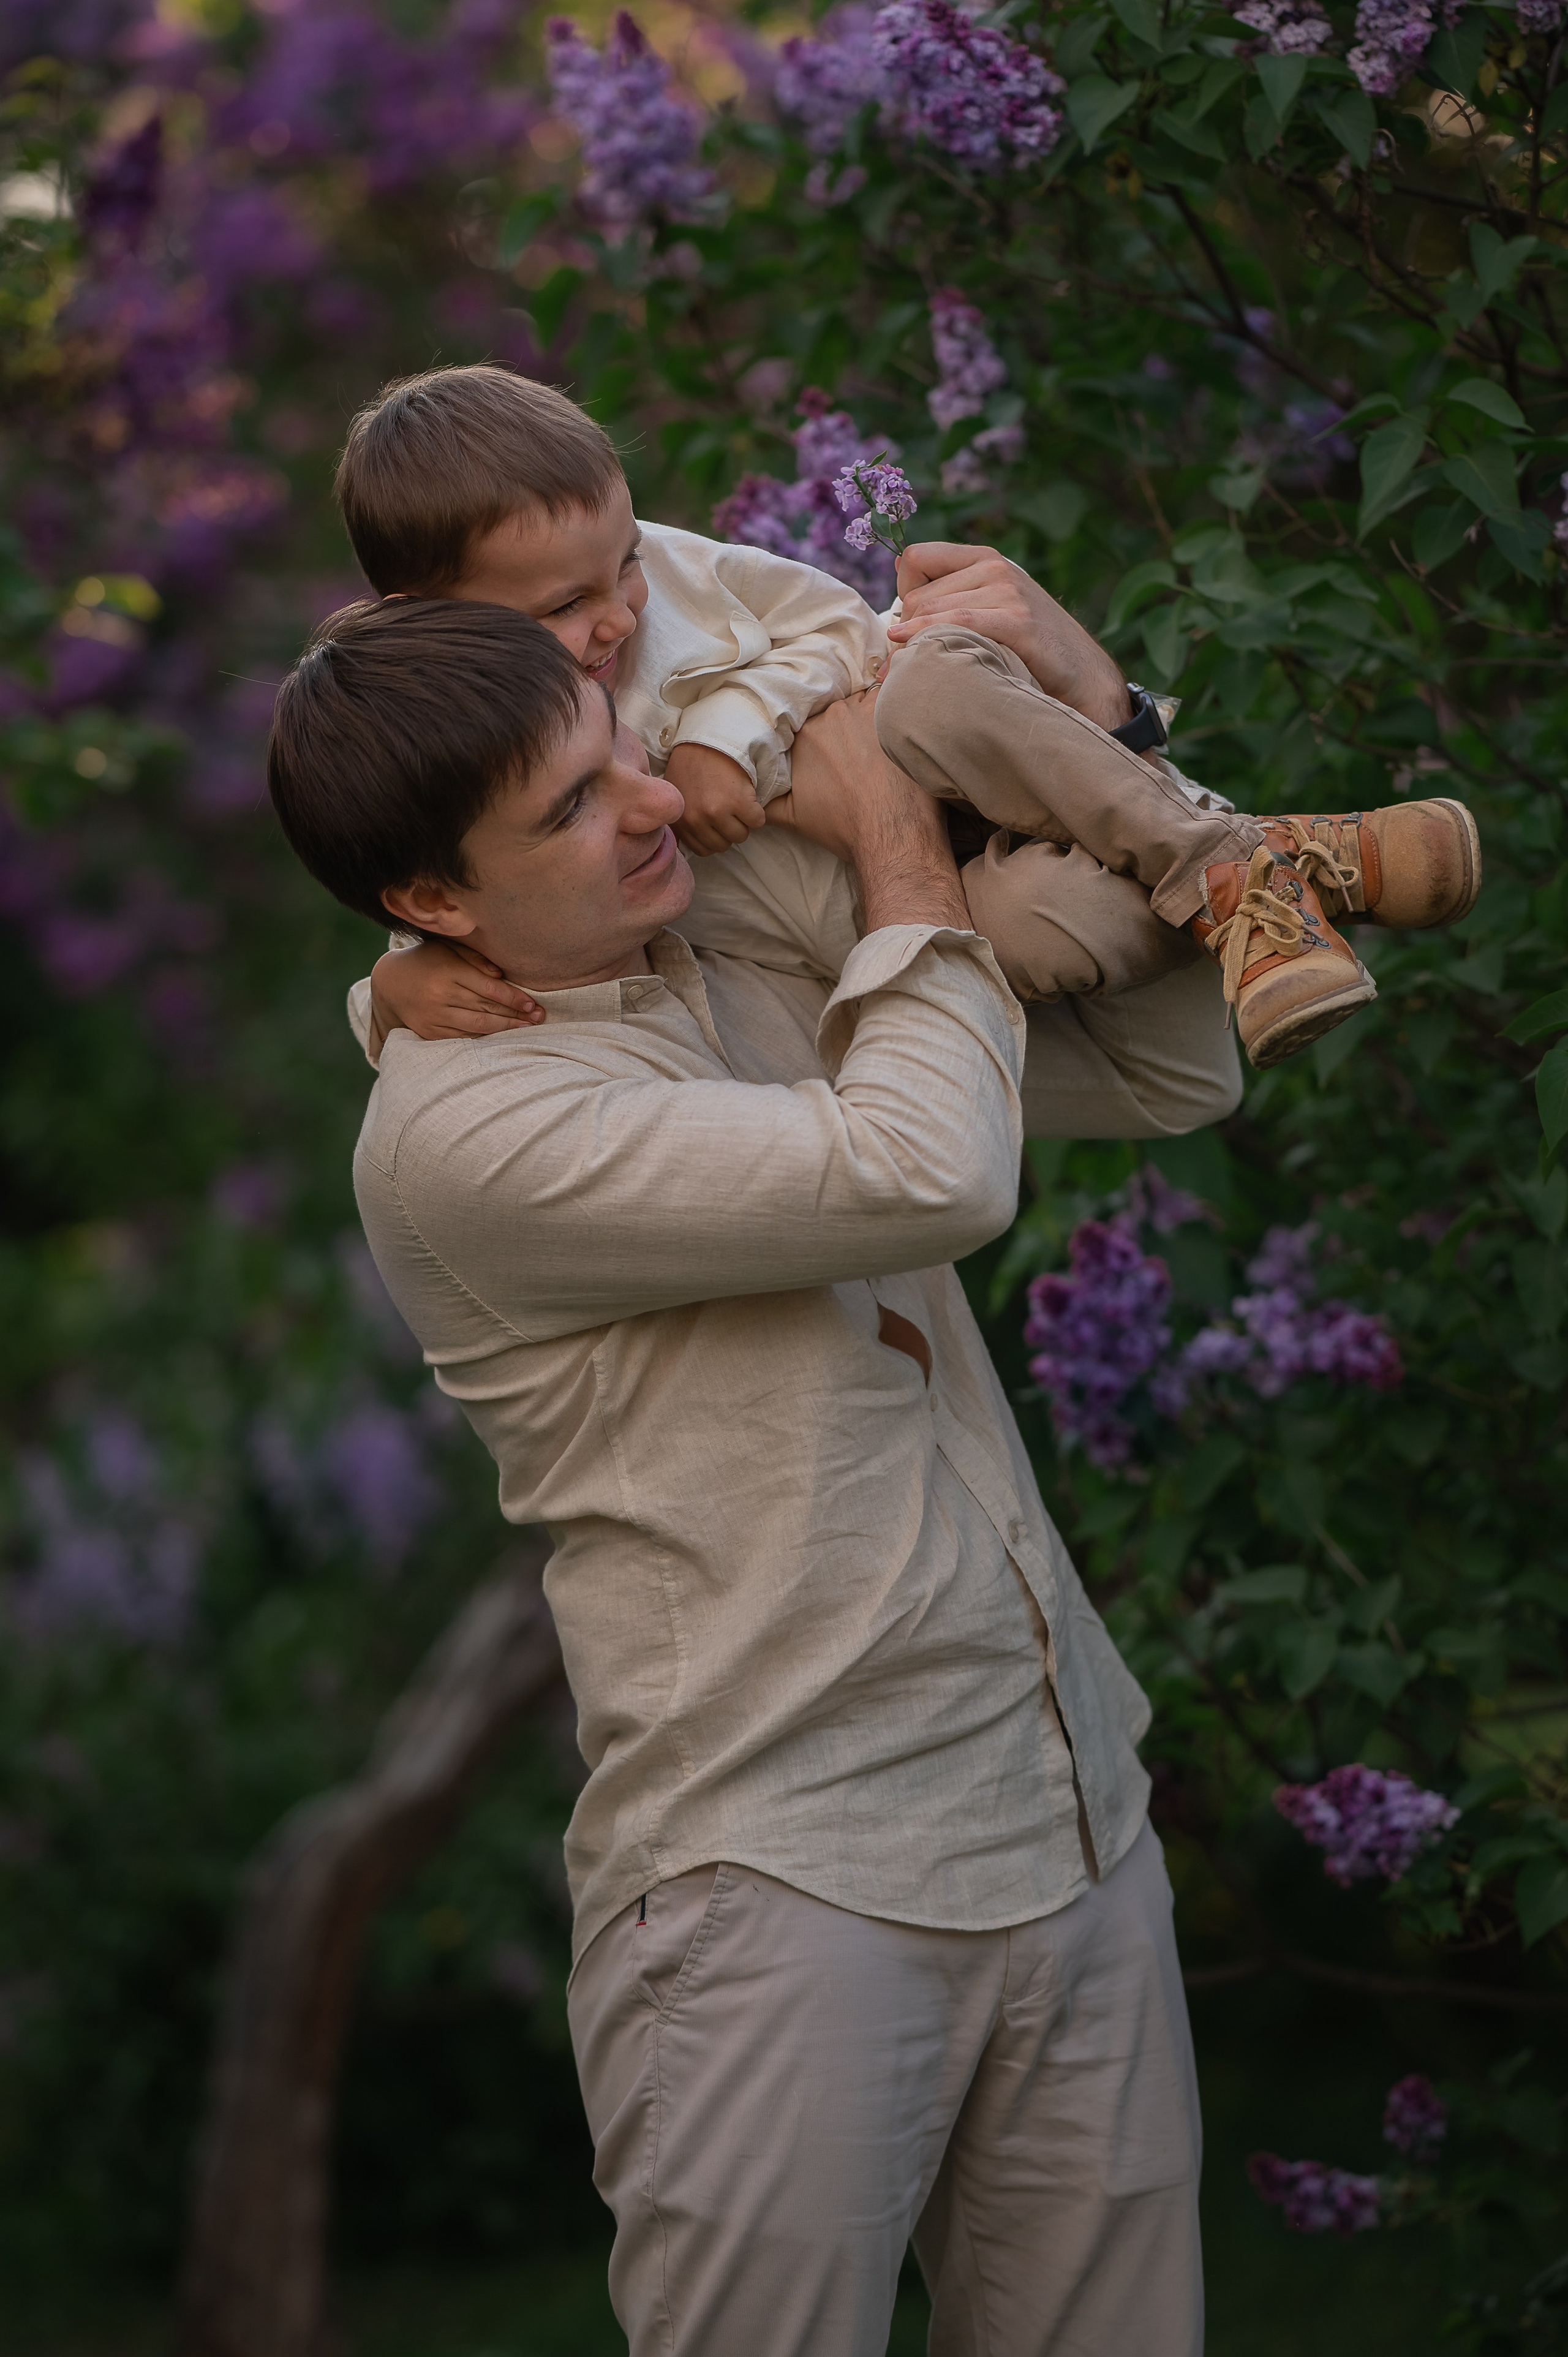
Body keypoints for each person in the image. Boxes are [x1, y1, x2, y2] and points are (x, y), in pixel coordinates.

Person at [267, 587, 1230, 2356]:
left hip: (1067, 1811)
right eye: (567, 810)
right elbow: (933, 1173)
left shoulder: (732, 941)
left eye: (617, 746)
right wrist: (884, 831)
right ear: (429, 903)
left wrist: (1100, 705)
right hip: (784, 1888)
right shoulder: (472, 1130)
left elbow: (1172, 1068)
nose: (648, 802)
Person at [332, 363, 1480, 1074]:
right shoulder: (458, 747)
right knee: (1042, 927)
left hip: (937, 742)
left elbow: (837, 624)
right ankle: (1284, 869)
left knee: (931, 674)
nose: (618, 616)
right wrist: (385, 1000)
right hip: (937, 884)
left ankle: (1224, 869)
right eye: (563, 606)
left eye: (623, 565)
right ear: (421, 616)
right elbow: (445, 880)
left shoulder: (674, 576)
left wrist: (725, 731)